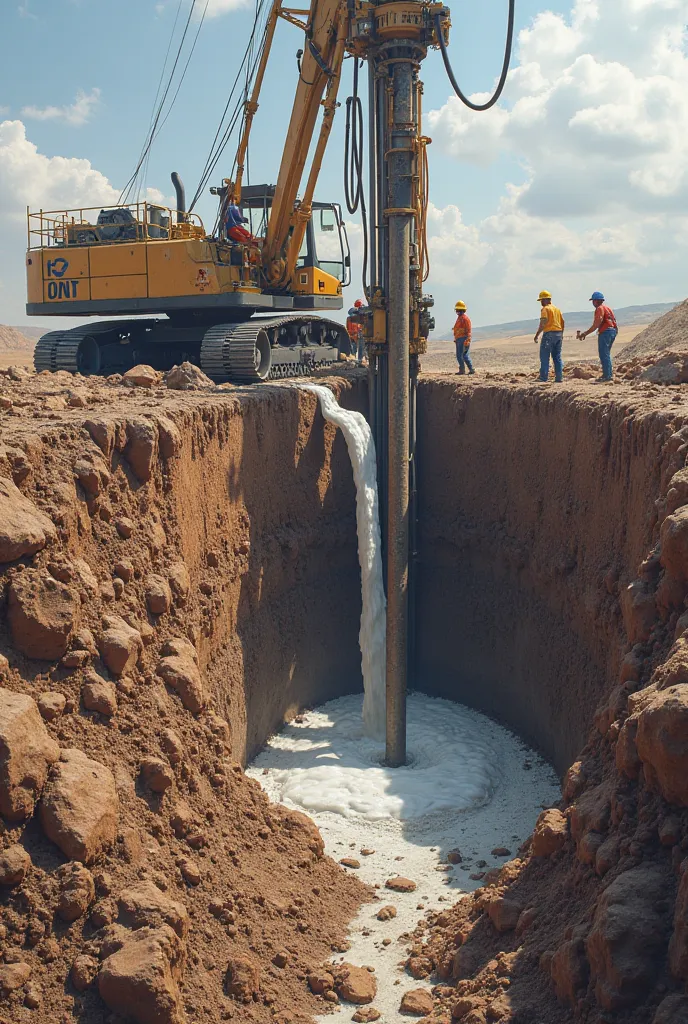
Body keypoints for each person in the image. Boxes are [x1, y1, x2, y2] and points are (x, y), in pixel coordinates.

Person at [577, 291, 618, 382]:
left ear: (596, 301)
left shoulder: (599, 309)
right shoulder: (607, 308)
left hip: (606, 332)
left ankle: (607, 376)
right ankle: (608, 374)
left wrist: (585, 333)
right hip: (613, 331)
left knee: (604, 354)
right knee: (606, 353)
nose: (592, 303)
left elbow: (596, 323)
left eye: (593, 301)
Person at [534, 290, 564, 383]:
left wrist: (537, 335)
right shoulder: (557, 309)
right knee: (557, 357)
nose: (541, 303)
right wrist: (561, 334)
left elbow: (543, 323)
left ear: (545, 300)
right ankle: (559, 378)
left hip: (549, 334)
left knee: (544, 356)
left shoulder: (545, 309)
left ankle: (543, 377)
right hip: (558, 333)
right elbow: (563, 322)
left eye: (541, 300)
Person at [453, 301, 474, 375]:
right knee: (460, 355)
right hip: (459, 339)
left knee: (464, 355)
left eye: (457, 310)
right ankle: (463, 369)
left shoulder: (465, 319)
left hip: (463, 339)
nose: (456, 311)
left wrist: (468, 339)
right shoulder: (459, 318)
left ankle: (470, 369)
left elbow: (468, 330)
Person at [346, 299, 365, 363]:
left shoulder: (351, 317)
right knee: (358, 348)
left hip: (356, 335)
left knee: (359, 348)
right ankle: (357, 359)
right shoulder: (354, 315)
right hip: (354, 335)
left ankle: (358, 359)